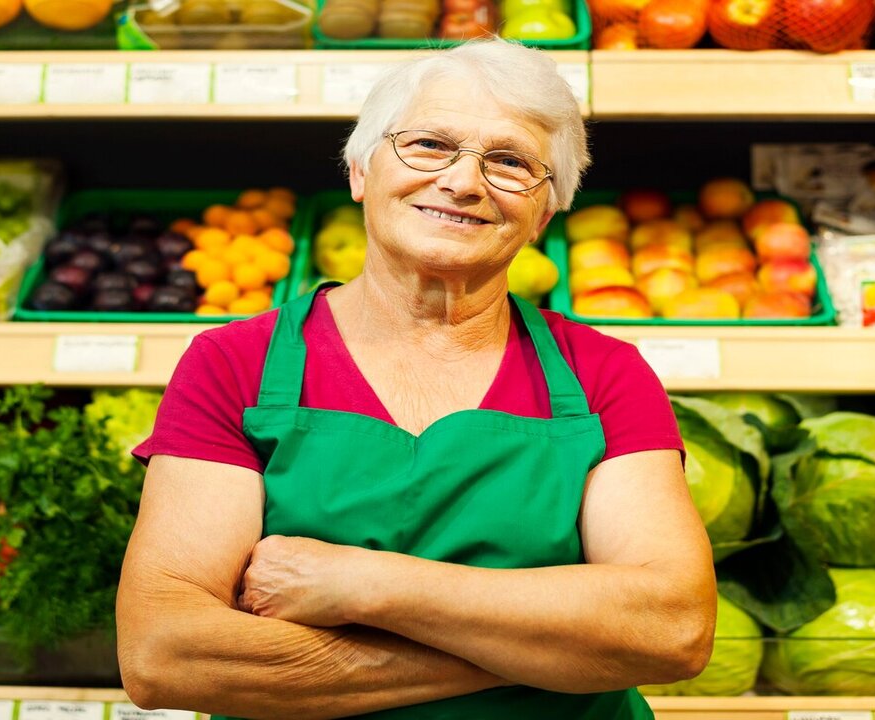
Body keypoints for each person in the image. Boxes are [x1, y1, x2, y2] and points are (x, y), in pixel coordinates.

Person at [117, 38, 716, 720]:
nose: (464, 182)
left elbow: (672, 627)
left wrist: (364, 585)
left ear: (544, 216)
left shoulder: (604, 373)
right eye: (429, 144)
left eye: (511, 163)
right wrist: (543, 653)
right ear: (360, 171)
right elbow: (166, 655)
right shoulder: (234, 364)